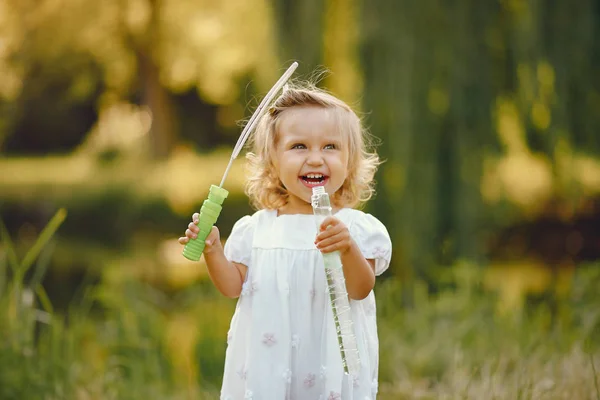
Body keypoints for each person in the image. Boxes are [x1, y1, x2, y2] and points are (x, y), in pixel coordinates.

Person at [179, 83, 392, 400]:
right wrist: (213, 251)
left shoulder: (356, 228)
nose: (316, 159)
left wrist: (347, 248)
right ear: (273, 162)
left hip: (329, 363)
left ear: (350, 161)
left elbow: (360, 289)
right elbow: (233, 287)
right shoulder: (257, 230)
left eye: (330, 147)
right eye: (299, 146)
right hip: (270, 362)